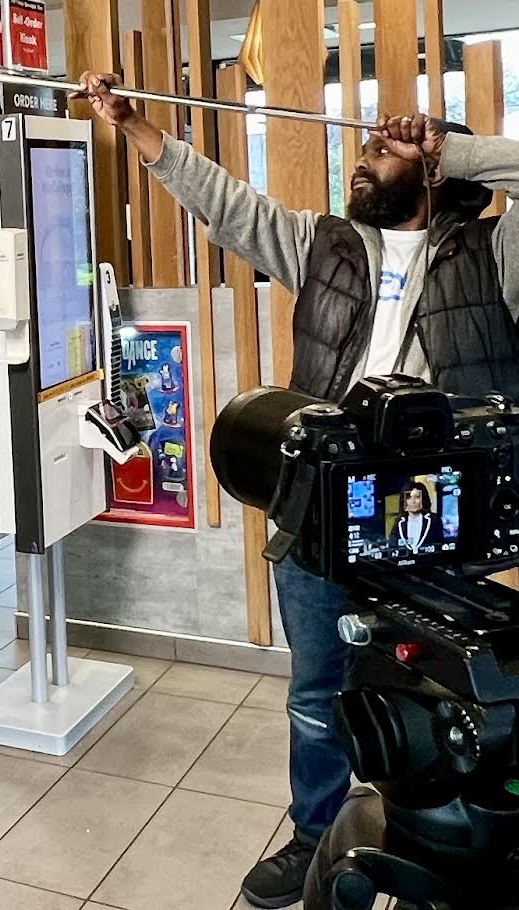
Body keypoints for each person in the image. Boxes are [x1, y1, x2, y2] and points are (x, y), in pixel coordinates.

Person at [75, 72, 519, 908]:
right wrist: (135, 126)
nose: (365, 157)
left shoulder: (495, 252)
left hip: (439, 522)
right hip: (321, 510)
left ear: (434, 172)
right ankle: (316, 836)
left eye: (386, 150)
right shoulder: (325, 244)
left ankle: (453, 843)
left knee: (443, 691)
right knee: (319, 690)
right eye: (367, 147)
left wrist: (452, 148)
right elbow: (224, 203)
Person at [388, 481, 444, 553]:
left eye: (417, 497)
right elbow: (392, 547)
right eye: (409, 497)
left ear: (423, 499)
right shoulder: (399, 523)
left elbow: (439, 545)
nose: (413, 501)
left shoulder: (434, 520)